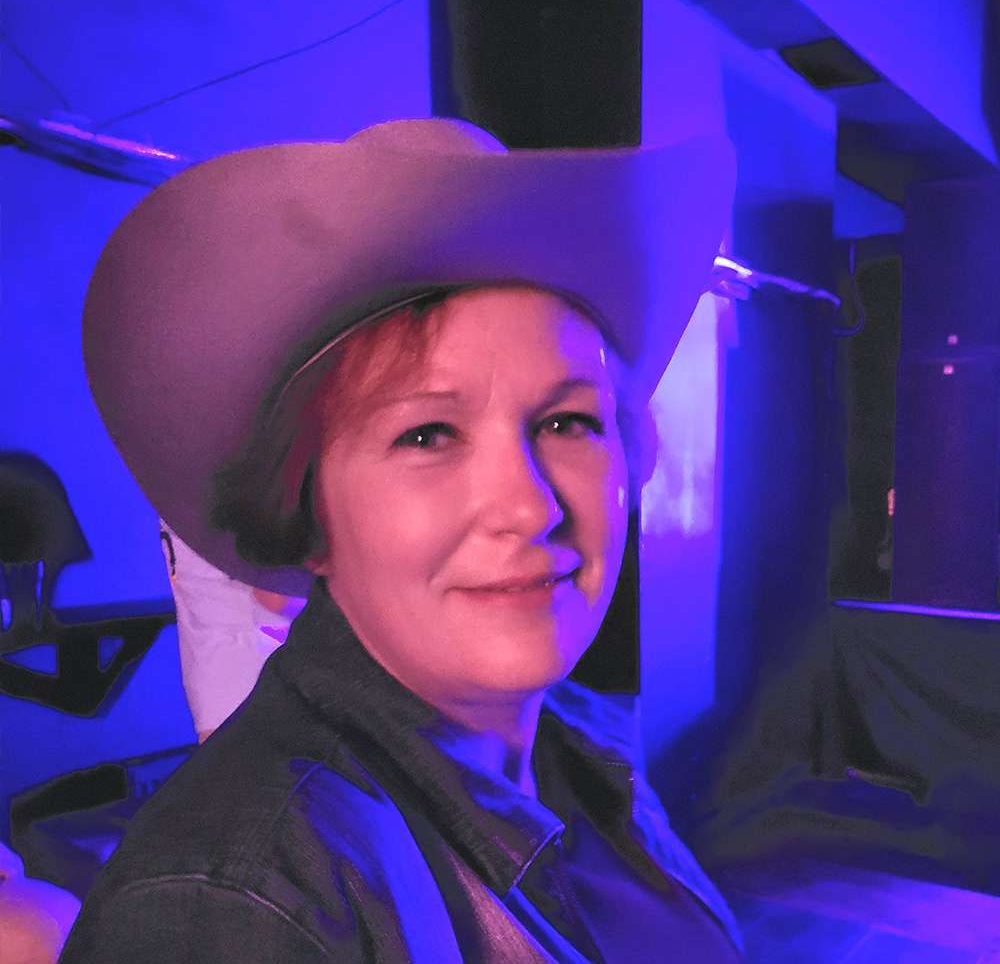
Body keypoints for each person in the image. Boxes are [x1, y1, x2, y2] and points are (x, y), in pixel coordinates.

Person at [61, 116, 742, 961]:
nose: (527, 507)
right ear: (310, 512)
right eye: (427, 435)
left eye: (568, 421)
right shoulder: (237, 905)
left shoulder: (581, 745)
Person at [159, 519, 305, 742]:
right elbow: (274, 598)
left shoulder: (176, 500)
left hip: (214, 677)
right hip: (259, 668)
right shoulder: (251, 499)